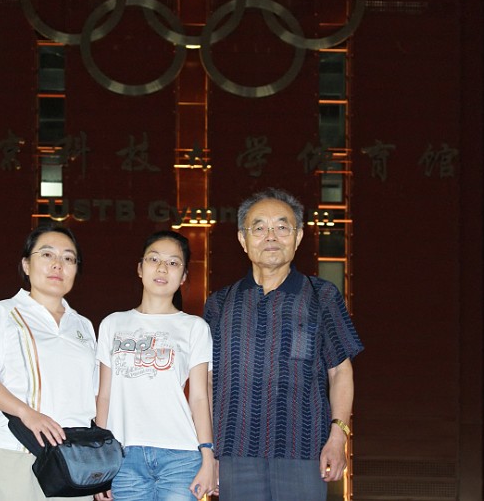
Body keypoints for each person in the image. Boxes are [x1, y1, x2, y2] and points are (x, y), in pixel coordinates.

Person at [203, 188, 363, 501]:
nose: (271, 236)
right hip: (234, 451)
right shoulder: (219, 303)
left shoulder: (322, 296)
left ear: (299, 237)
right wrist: (208, 452)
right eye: (259, 228)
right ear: (242, 239)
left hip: (304, 451)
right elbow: (207, 380)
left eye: (282, 227)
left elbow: (341, 372)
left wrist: (338, 437)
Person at [0, 223, 98, 501]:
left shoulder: (83, 326)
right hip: (17, 451)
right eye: (47, 255)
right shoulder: (3, 313)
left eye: (68, 258)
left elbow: (94, 398)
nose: (58, 264)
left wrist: (98, 462)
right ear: (26, 264)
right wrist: (27, 413)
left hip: (72, 462)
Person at [95, 230, 215, 501]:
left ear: (184, 276)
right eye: (154, 260)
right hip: (123, 456)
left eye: (173, 263)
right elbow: (103, 396)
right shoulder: (113, 324)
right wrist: (100, 459)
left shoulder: (195, 327)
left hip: (181, 456)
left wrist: (208, 455)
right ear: (140, 268)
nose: (162, 268)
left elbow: (199, 397)